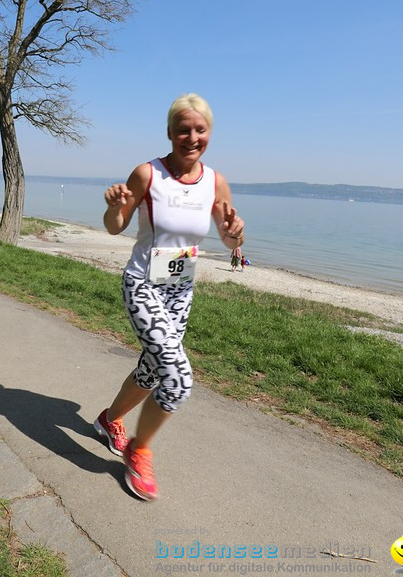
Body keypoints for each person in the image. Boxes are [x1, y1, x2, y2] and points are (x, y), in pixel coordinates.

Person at [93, 93, 245, 501]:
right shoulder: (148, 173)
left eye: (200, 130)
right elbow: (115, 226)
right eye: (183, 130)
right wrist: (114, 207)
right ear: (170, 133)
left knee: (152, 369)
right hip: (143, 284)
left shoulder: (216, 181)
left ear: (209, 133)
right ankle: (139, 452)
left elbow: (230, 236)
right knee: (177, 374)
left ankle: (110, 420)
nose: (191, 137)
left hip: (181, 289)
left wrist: (236, 231)